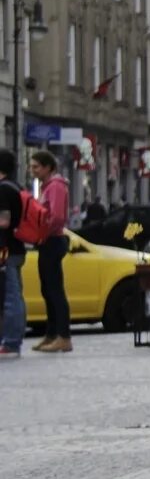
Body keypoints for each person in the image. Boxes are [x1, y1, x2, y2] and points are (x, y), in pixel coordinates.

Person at [29, 151, 72, 353]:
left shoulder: (55, 186)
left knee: (55, 291)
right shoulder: (47, 186)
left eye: (36, 166)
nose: (33, 170)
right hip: (48, 241)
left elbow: (55, 217)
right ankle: (51, 334)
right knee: (47, 290)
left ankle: (63, 336)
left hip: (52, 240)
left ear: (48, 167)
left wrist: (41, 234)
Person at [0, 149, 26, 361]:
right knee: (14, 295)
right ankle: (12, 339)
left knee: (10, 296)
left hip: (6, 249)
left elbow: (4, 221)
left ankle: (10, 342)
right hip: (16, 247)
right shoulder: (16, 187)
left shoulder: (3, 190)